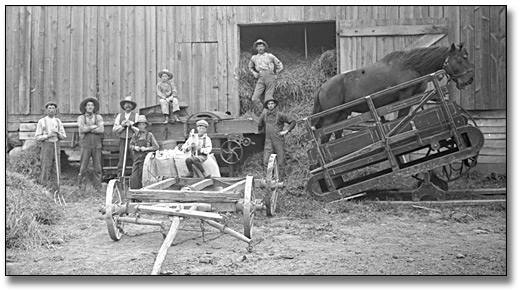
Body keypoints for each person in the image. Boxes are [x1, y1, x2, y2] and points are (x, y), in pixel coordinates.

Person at [257, 97, 295, 180]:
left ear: (275, 105)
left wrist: (286, 131)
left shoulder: (280, 115)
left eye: (272, 104)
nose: (270, 105)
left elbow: (292, 122)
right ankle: (267, 180)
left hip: (278, 140)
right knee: (266, 161)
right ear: (267, 106)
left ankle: (280, 180)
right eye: (269, 104)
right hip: (268, 141)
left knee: (281, 161)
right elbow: (259, 125)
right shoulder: (264, 115)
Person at [35, 101, 66, 191]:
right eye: (49, 108)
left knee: (56, 167)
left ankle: (56, 189)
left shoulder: (58, 121)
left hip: (56, 145)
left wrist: (58, 134)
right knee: (46, 166)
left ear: (56, 110)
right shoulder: (42, 121)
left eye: (53, 108)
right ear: (46, 110)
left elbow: (63, 136)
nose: (51, 110)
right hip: (46, 145)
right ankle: (44, 188)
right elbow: (37, 137)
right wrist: (47, 136)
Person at [248, 39, 284, 113]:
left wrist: (276, 74)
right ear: (256, 48)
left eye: (262, 46)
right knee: (254, 98)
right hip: (260, 77)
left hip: (270, 76)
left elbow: (280, 65)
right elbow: (250, 67)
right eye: (258, 46)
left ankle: (271, 115)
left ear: (264, 47)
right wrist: (254, 72)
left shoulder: (269, 56)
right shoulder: (254, 58)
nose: (260, 48)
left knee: (268, 99)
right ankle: (264, 112)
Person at [77, 96, 104, 190]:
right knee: (83, 166)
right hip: (86, 145)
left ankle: (98, 188)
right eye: (88, 105)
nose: (90, 107)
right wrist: (93, 127)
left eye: (92, 105)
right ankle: (81, 188)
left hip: (97, 145)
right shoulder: (81, 118)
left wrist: (88, 128)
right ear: (85, 107)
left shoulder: (98, 117)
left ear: (94, 107)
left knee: (97, 167)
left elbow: (101, 129)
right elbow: (82, 129)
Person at [129, 115, 159, 189]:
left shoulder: (149, 135)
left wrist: (146, 149)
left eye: (143, 124)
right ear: (138, 125)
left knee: (143, 176)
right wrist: (135, 147)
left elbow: (156, 147)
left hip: (146, 160)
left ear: (145, 125)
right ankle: (135, 195)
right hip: (136, 159)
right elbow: (130, 145)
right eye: (139, 124)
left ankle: (144, 192)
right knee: (134, 177)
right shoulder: (135, 135)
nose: (141, 126)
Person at [112, 96, 139, 177]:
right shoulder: (119, 116)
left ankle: (136, 177)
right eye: (126, 104)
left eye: (130, 104)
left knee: (135, 159)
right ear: (123, 106)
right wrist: (122, 126)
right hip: (123, 140)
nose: (128, 106)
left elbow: (139, 130)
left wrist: (131, 125)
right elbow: (114, 129)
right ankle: (120, 177)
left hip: (134, 140)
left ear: (132, 106)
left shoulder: (136, 116)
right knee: (122, 159)